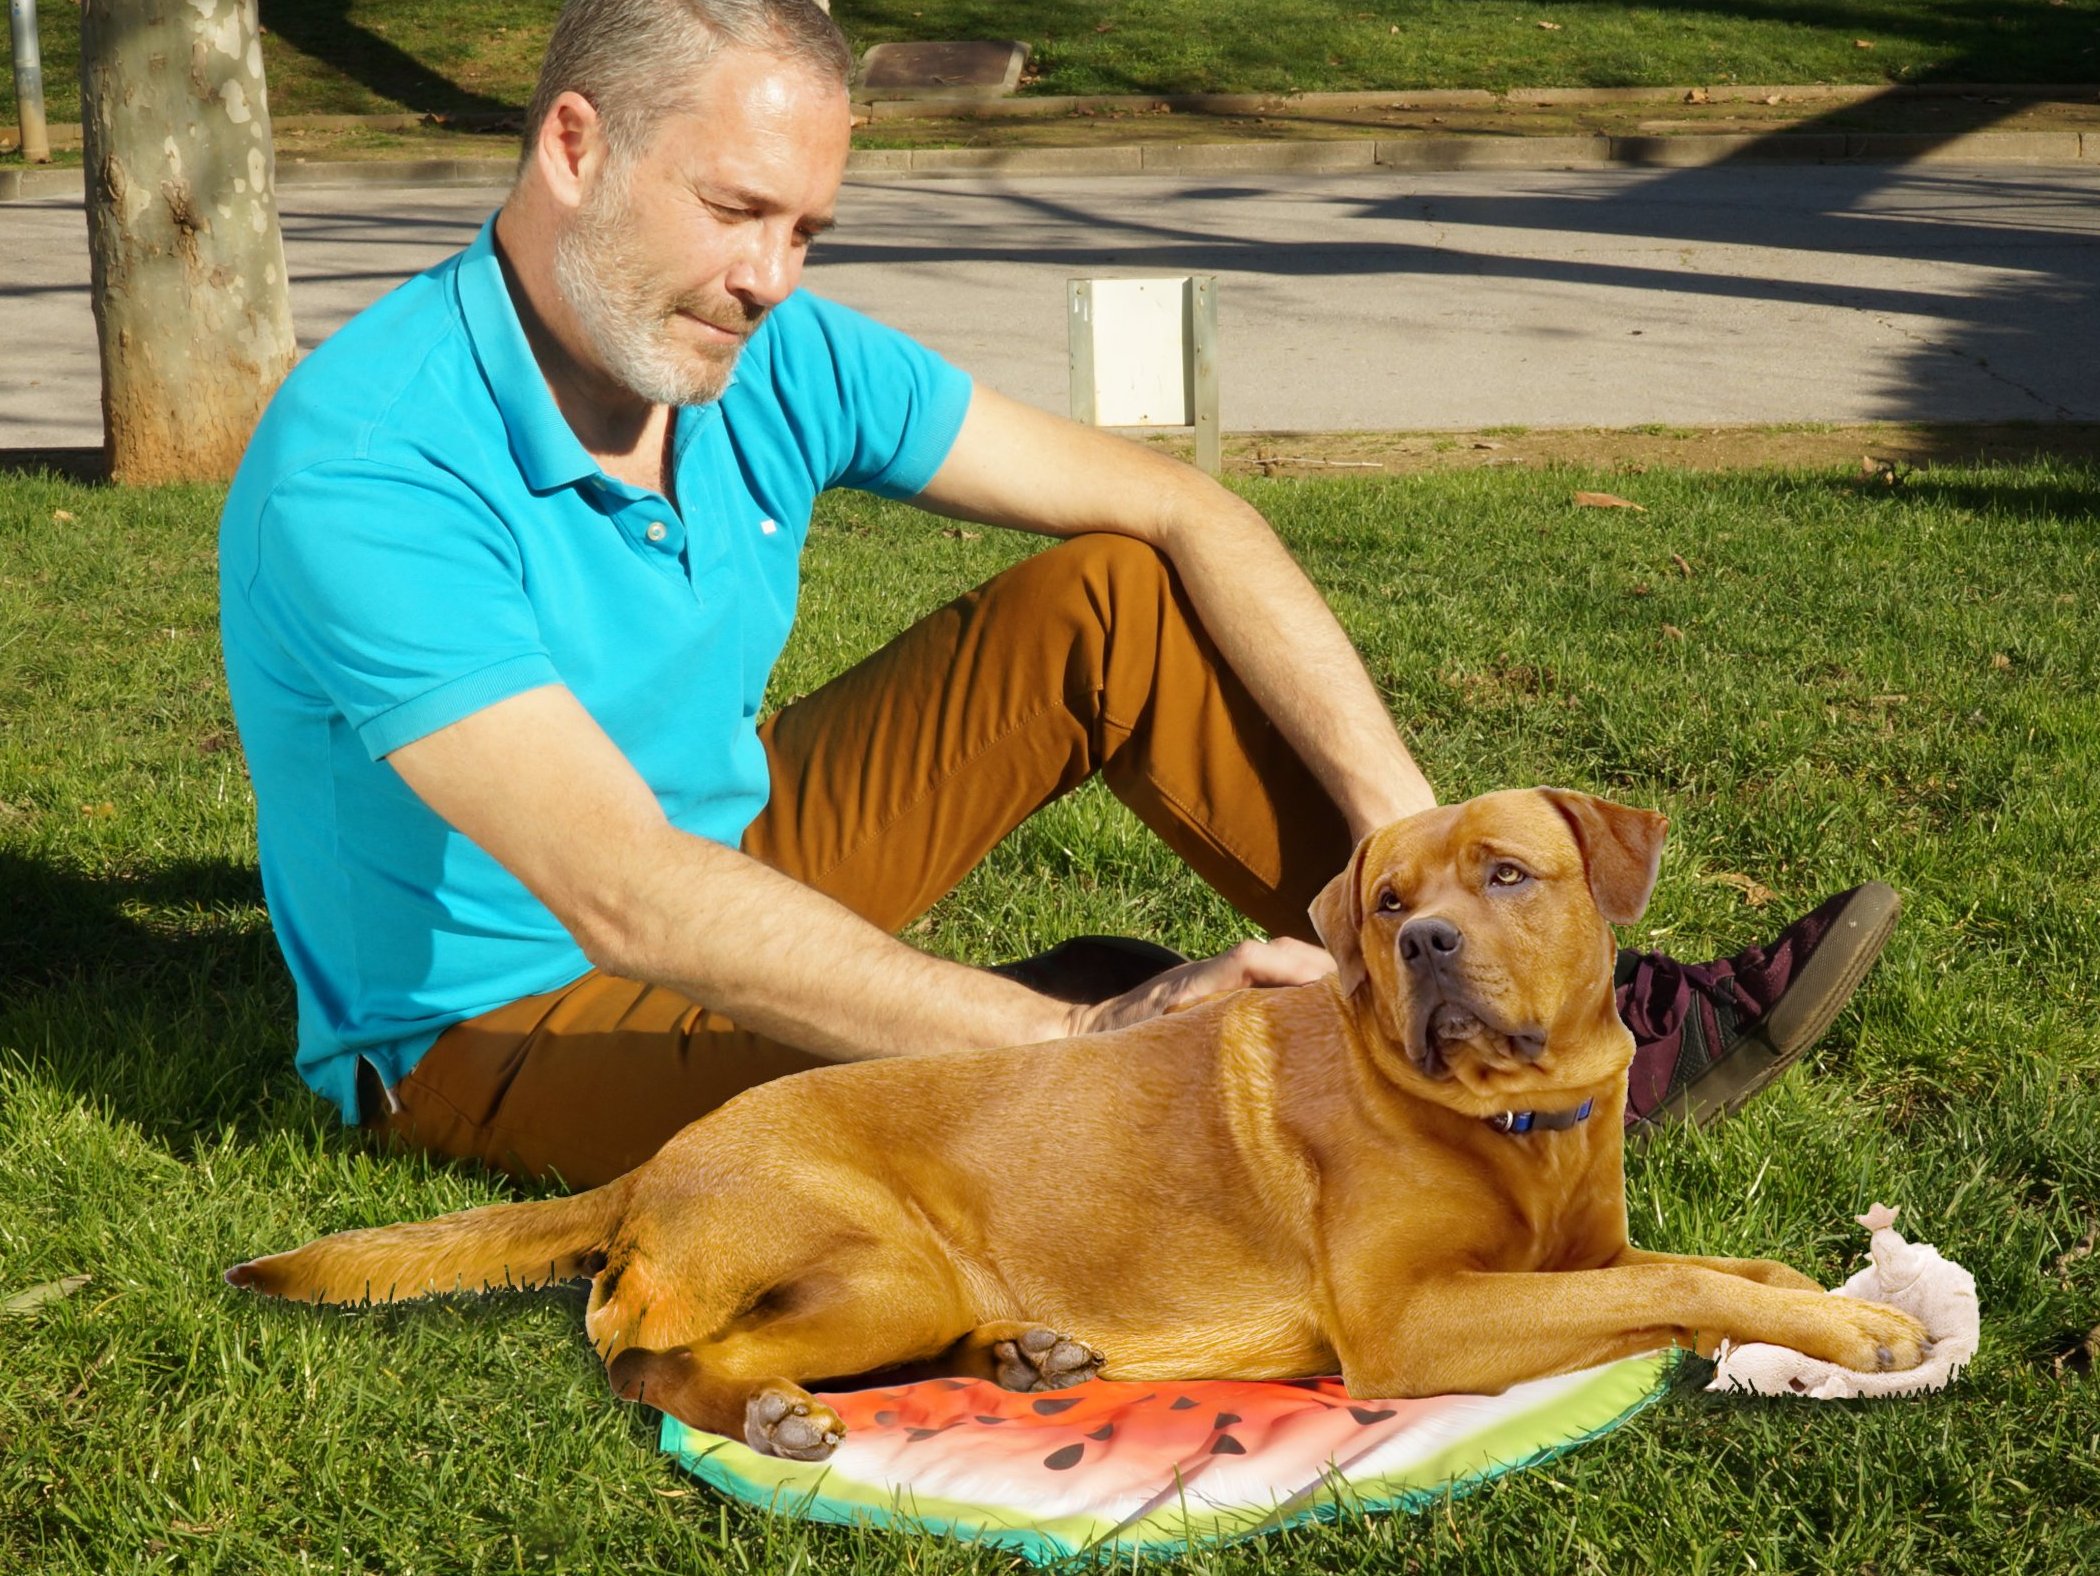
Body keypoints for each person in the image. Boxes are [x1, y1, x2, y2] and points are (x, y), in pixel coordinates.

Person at [217, 0, 1898, 1190]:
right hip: (499, 1020)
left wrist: (1417, 855)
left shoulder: (770, 352)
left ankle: (1531, 1011)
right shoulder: (370, 459)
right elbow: (629, 904)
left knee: (1113, 590)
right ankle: (1145, 1034)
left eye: (807, 227)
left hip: (734, 854)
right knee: (1076, 1098)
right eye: (735, 211)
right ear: (572, 145)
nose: (768, 280)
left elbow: (1176, 509)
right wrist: (1059, 1038)